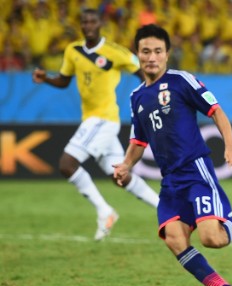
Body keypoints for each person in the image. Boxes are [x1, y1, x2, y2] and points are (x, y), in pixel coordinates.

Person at [112, 24, 232, 286]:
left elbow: (216, 111)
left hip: (194, 170)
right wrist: (126, 165)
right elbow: (139, 140)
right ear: (137, 55)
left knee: (213, 239)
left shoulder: (181, 81)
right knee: (174, 239)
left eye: (157, 51)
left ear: (167, 54)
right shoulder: (136, 96)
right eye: (145, 51)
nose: (151, 57)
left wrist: (231, 145)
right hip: (170, 180)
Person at [32, 8, 159, 241]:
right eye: (84, 22)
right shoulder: (73, 51)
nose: (88, 25)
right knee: (119, 175)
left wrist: (149, 96)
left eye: (92, 21)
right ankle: (163, 207)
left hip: (104, 118)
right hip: (92, 119)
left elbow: (142, 70)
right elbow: (64, 80)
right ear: (81, 25)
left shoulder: (114, 52)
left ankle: (104, 210)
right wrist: (46, 79)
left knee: (66, 164)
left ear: (100, 24)